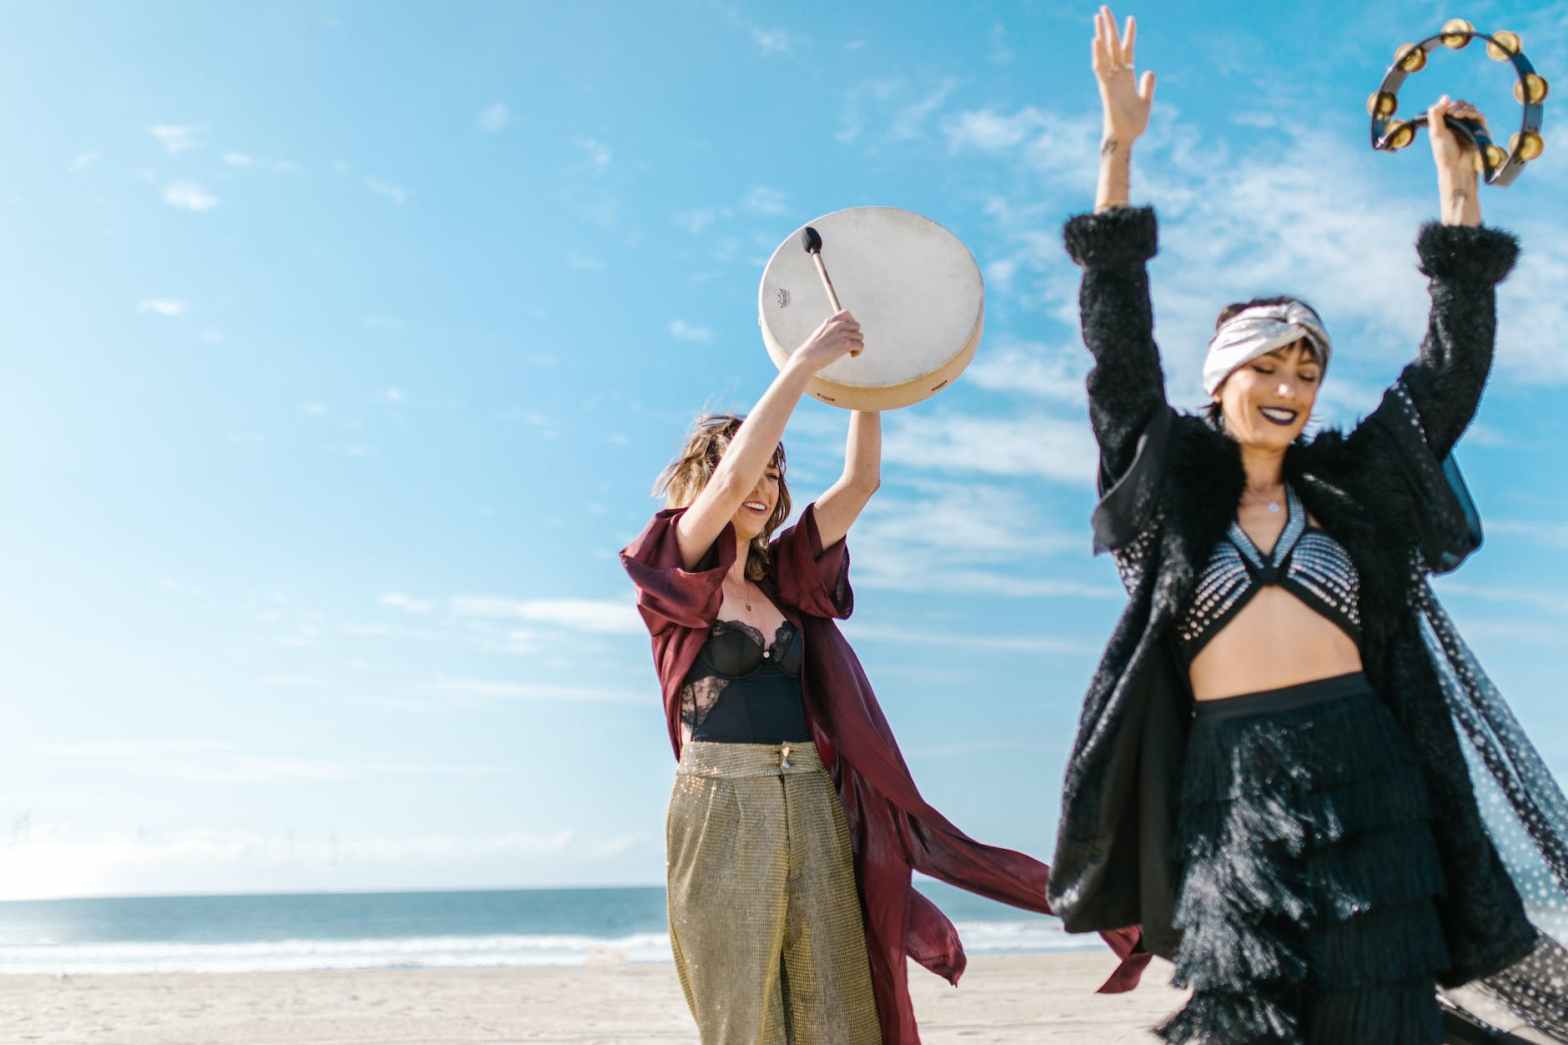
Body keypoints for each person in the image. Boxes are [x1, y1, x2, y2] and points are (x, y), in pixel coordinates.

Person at [1047, 7, 1567, 1042]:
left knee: (1380, 1016)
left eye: (1306, 370)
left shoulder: (1354, 490)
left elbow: (1447, 375)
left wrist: (1457, 199)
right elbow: (1118, 352)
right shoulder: (1167, 495)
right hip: (1228, 792)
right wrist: (1116, 153)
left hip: (1371, 782)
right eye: (1268, 366)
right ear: (1218, 380)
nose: (1289, 387)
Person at [622, 309, 1143, 1045]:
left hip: (811, 797)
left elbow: (862, 481)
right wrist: (805, 361)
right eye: (754, 467)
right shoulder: (676, 571)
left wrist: (870, 382)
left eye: (775, 473)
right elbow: (735, 472)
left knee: (839, 1007)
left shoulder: (787, 579)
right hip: (722, 803)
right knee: (742, 1016)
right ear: (705, 482)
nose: (763, 484)